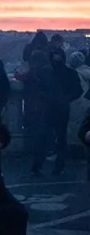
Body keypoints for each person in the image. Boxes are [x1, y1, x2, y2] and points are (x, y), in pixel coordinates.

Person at [45, 47, 83, 175]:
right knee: (60, 137)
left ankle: (43, 164)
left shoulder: (47, 73)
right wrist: (67, 99)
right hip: (61, 108)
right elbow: (78, 90)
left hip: (53, 108)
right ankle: (58, 165)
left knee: (51, 136)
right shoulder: (69, 73)